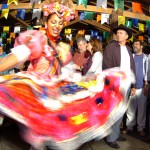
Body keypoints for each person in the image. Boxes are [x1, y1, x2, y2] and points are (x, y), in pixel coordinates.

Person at [0, 2, 135, 150]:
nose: (57, 26)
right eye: (53, 22)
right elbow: (19, 56)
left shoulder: (62, 49)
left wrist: (87, 83)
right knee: (40, 140)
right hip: (38, 95)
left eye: (60, 23)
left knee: (53, 138)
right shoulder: (39, 39)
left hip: (55, 97)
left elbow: (68, 73)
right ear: (45, 22)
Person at [102, 24, 136, 149]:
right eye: (118, 32)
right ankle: (111, 137)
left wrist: (133, 85)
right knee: (114, 111)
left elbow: (132, 68)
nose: (118, 34)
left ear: (127, 36)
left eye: (121, 33)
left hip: (127, 85)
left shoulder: (128, 49)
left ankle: (115, 134)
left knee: (121, 111)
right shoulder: (111, 47)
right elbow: (107, 65)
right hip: (115, 85)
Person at [126, 39, 148, 136]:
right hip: (132, 87)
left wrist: (146, 85)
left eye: (137, 44)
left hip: (142, 87)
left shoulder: (146, 58)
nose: (134, 45)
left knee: (142, 109)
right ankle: (129, 127)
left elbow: (147, 73)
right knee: (130, 109)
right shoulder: (131, 57)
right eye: (134, 44)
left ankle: (140, 128)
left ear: (141, 46)